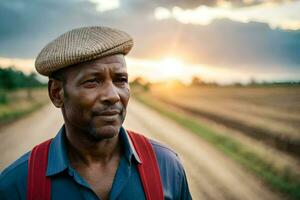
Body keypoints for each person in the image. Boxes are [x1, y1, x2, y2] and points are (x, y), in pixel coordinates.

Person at [0, 26, 192, 200]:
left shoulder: (166, 167)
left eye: (120, 80)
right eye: (92, 81)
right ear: (56, 93)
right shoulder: (17, 184)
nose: (113, 95)